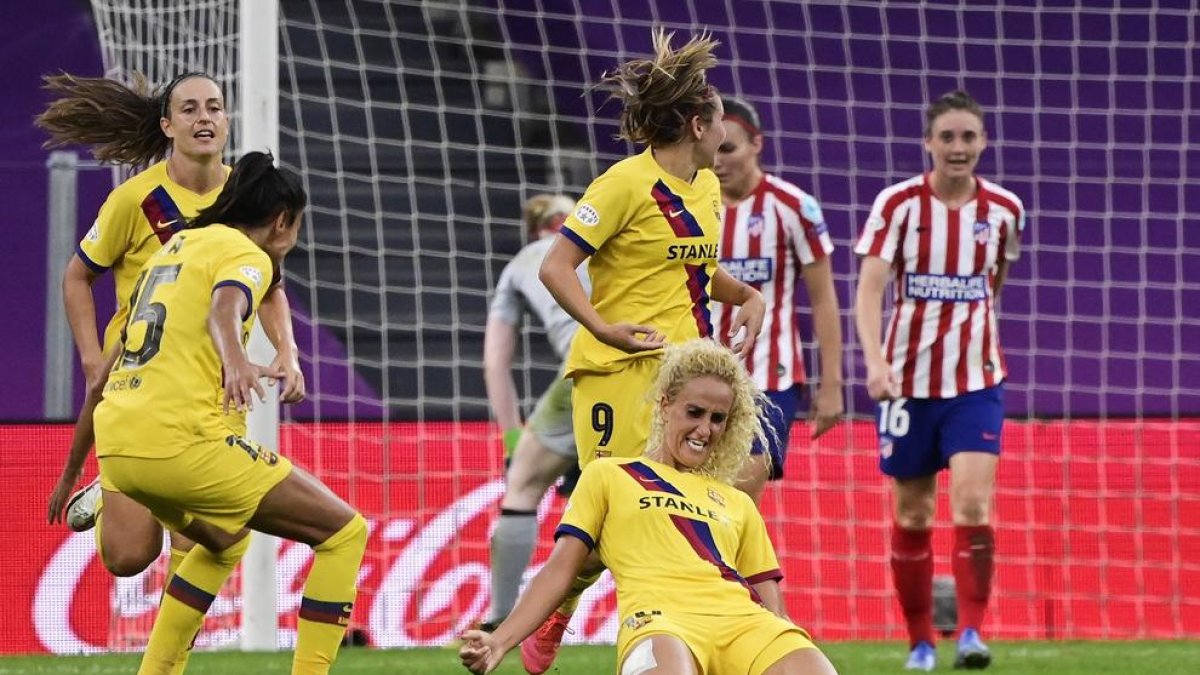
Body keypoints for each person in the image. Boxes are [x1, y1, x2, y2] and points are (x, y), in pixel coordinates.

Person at [532, 28, 766, 672]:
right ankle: (554, 610)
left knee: (735, 480)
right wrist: (603, 327)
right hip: (617, 371)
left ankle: (709, 621)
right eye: (719, 118)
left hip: (688, 373)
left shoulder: (708, 188)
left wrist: (744, 293)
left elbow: (695, 271)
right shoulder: (622, 185)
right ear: (697, 123)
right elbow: (556, 266)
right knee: (620, 513)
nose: (725, 130)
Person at [80, 151, 367, 674]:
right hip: (180, 443)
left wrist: (279, 351)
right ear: (281, 221)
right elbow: (224, 307)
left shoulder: (179, 244)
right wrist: (236, 358)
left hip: (119, 448)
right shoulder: (247, 254)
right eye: (295, 227)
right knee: (345, 533)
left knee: (227, 538)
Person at [38, 72, 304, 595]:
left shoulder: (243, 194)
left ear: (227, 121)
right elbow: (76, 275)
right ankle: (136, 490)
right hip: (140, 382)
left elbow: (269, 282)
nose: (204, 118)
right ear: (167, 125)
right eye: (189, 109)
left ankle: (170, 658)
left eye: (214, 108)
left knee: (213, 539)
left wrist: (288, 352)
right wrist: (93, 359)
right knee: (127, 556)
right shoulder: (137, 201)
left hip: (213, 382)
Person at [460, 339, 838, 675]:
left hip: (743, 624)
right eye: (695, 412)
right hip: (659, 624)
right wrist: (499, 641)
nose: (705, 430)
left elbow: (773, 610)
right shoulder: (607, 475)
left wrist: (790, 644)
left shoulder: (736, 501)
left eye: (717, 418)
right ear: (664, 404)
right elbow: (560, 570)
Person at [854, 90, 1025, 671]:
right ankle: (922, 642)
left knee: (973, 506)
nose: (958, 147)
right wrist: (875, 363)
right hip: (906, 383)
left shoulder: (1004, 211)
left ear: (984, 143)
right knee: (913, 516)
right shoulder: (897, 205)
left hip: (977, 381)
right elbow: (870, 288)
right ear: (928, 142)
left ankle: (972, 635)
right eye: (947, 137)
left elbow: (993, 284)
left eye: (968, 137)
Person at [711, 96, 844, 504]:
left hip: (772, 379)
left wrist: (832, 384)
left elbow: (823, 300)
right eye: (712, 149)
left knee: (735, 500)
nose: (717, 161)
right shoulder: (686, 206)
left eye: (728, 148)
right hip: (696, 374)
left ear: (757, 144)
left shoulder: (794, 207)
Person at [482, 194, 589, 629]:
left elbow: (494, 363)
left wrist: (512, 442)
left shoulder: (524, 260)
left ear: (534, 230)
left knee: (523, 485)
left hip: (586, 366)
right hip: (655, 359)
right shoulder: (606, 239)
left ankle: (501, 621)